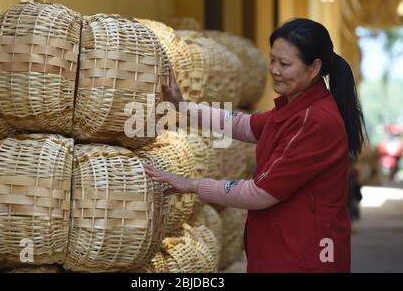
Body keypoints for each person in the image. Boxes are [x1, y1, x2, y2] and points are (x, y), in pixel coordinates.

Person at [144, 18, 367, 273]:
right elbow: (245, 125)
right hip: (284, 253)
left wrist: (192, 184)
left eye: (285, 64)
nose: (274, 70)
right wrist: (184, 107)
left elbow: (259, 193)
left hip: (303, 259)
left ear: (314, 67)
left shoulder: (315, 121)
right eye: (272, 60)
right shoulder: (296, 107)